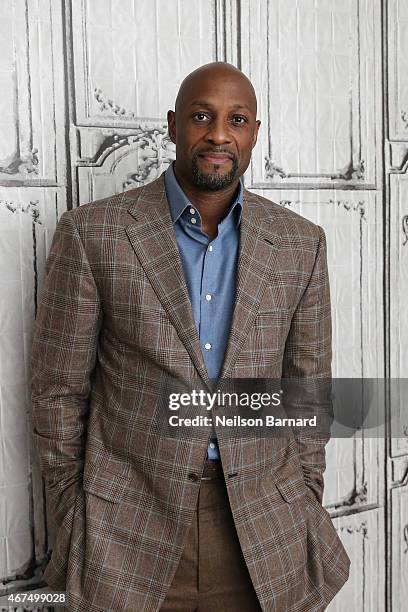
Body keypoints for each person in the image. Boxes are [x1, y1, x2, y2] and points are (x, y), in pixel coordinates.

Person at [31, 62, 350, 612]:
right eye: (202, 116)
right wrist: (74, 510)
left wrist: (302, 497)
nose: (219, 133)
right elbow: (57, 391)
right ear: (175, 125)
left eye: (237, 119)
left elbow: (307, 393)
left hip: (260, 533)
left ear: (254, 133)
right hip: (124, 534)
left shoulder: (302, 245)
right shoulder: (93, 234)